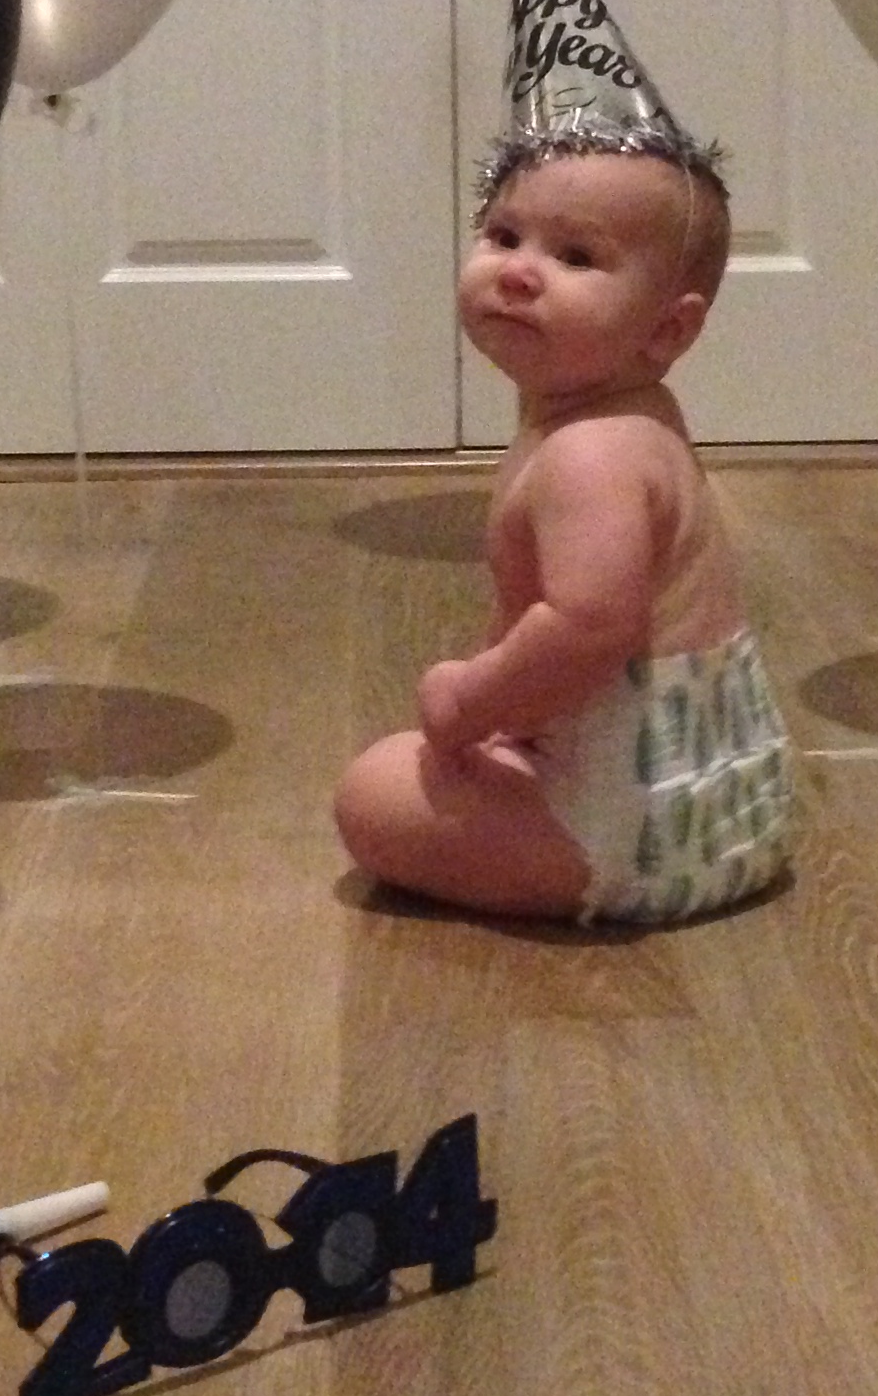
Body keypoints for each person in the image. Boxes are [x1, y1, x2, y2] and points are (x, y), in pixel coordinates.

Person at [334, 131, 797, 923]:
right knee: (430, 768)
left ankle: (568, 866)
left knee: (373, 791)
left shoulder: (590, 456)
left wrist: (469, 702)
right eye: (504, 235)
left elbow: (589, 627)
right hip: (716, 809)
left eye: (576, 257)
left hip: (628, 831)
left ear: (668, 331)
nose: (519, 271)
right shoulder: (631, 418)